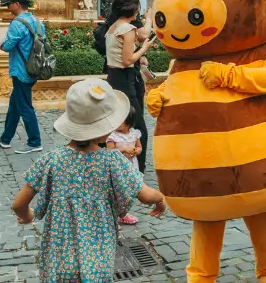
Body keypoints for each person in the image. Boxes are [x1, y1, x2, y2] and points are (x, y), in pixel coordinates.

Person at [12, 79, 166, 283]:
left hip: (59, 260)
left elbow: (18, 204)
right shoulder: (113, 160)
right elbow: (146, 195)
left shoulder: (51, 159)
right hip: (97, 261)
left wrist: (28, 216)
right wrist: (160, 199)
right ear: (105, 129)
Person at [0, 0, 44, 154]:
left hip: (21, 70)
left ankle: (34, 141)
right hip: (34, 68)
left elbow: (6, 46)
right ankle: (6, 138)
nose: (8, 7)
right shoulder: (37, 22)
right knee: (15, 105)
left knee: (24, 106)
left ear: (17, 4)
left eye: (9, 4)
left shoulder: (17, 23)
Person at [105, 0, 155, 172]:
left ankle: (117, 166)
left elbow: (140, 36)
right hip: (124, 80)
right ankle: (137, 171)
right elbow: (128, 60)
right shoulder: (127, 30)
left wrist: (148, 21)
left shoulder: (113, 27)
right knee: (139, 126)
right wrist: (144, 48)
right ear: (134, 10)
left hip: (113, 78)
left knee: (116, 124)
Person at [107, 106, 143, 225]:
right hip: (118, 168)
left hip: (131, 166)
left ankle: (123, 213)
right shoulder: (112, 136)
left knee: (129, 191)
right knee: (117, 191)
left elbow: (139, 147)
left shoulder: (134, 134)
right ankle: (113, 214)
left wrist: (136, 151)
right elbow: (110, 153)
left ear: (128, 123)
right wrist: (123, 149)